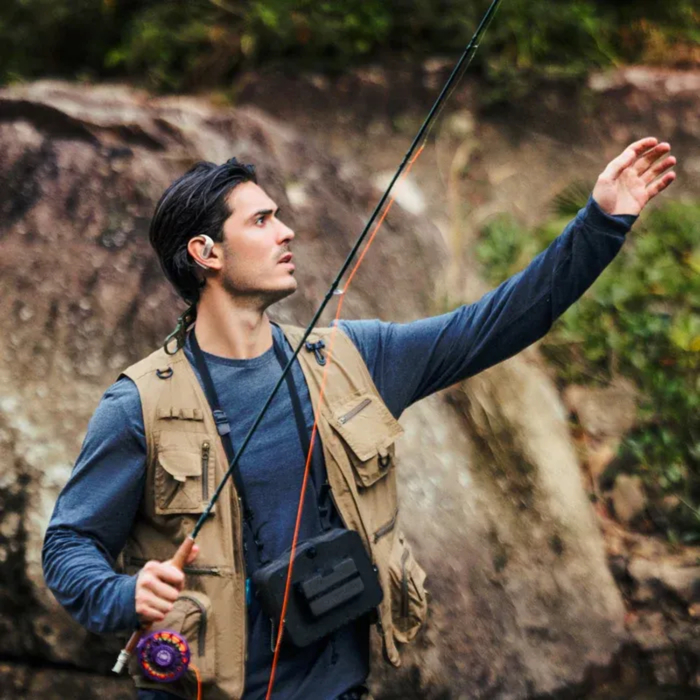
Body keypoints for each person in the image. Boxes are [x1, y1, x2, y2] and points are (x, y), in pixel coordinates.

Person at [42, 137, 676, 700]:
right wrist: (124, 594)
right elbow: (68, 545)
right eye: (262, 220)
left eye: (279, 215)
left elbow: (497, 323)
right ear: (206, 252)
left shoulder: (352, 358)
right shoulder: (139, 404)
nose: (287, 231)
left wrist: (601, 222)